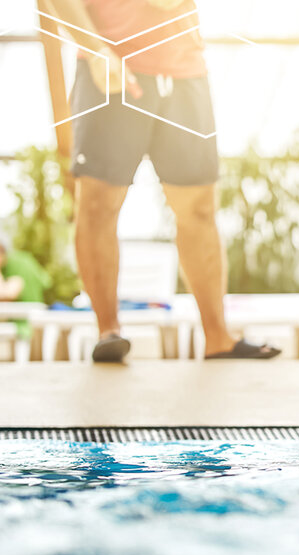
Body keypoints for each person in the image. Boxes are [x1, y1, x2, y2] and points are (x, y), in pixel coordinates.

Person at [42, 0, 278, 362]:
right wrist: (95, 48)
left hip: (186, 70)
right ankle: (109, 332)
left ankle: (218, 338)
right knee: (98, 203)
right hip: (111, 62)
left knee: (199, 209)